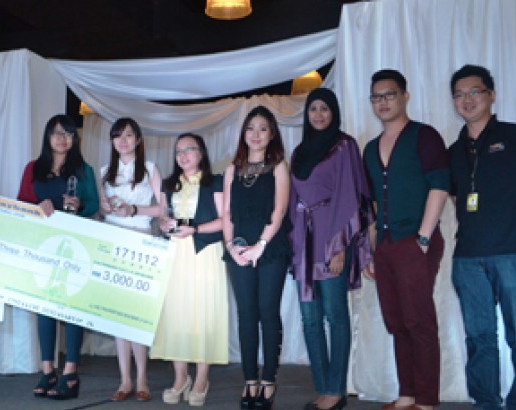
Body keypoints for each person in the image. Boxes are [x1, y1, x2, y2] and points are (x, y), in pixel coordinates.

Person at [447, 65, 516, 410]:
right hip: (467, 258)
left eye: (474, 92)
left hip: (511, 253)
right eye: (460, 94)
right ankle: (486, 403)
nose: (467, 100)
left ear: (491, 95)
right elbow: (453, 199)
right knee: (479, 338)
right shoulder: (453, 151)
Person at [362, 69, 449, 410]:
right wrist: (372, 250)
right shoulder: (370, 149)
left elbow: (440, 185)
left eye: (389, 94)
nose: (383, 102)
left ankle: (426, 401)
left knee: (419, 321)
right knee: (397, 322)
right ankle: (408, 394)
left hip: (416, 241)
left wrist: (423, 239)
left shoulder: (424, 136)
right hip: (385, 246)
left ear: (405, 96)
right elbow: (369, 204)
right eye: (376, 97)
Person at [288, 88, 374, 410]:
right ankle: (323, 387)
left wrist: (340, 247)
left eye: (325, 108)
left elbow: (350, 195)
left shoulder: (345, 146)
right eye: (313, 109)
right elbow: (294, 199)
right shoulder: (298, 153)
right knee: (310, 319)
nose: (319, 114)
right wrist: (294, 245)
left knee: (335, 316)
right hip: (304, 245)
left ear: (334, 112)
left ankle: (336, 389)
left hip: (332, 240)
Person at [17, 114, 98, 400]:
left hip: (75, 245)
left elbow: (95, 206)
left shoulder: (83, 169)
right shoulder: (32, 168)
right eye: (56, 133)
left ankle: (70, 372)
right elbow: (21, 203)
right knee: (45, 307)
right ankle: (47, 369)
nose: (62, 138)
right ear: (47, 137)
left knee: (72, 308)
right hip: (43, 245)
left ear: (75, 138)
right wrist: (38, 206)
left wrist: (80, 203)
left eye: (68, 133)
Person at [150, 133, 229, 407]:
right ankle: (180, 376)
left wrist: (194, 229)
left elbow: (224, 220)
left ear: (201, 153)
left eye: (189, 149)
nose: (182, 155)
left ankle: (201, 378)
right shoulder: (169, 184)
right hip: (175, 253)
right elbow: (162, 215)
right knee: (177, 315)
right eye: (178, 151)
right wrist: (163, 224)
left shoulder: (215, 182)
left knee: (203, 314)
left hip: (204, 251)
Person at [223, 105, 292, 410]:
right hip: (238, 250)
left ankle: (268, 378)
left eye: (263, 128)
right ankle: (249, 379)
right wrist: (231, 246)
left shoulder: (278, 166)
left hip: (270, 249)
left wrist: (261, 245)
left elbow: (279, 211)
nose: (256, 134)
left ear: (272, 134)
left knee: (268, 312)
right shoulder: (231, 169)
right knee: (246, 314)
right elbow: (226, 213)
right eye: (251, 128)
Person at [97, 118, 162, 402]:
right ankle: (124, 380)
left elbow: (162, 208)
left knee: (137, 315)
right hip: (113, 242)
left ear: (137, 139)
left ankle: (143, 379)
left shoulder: (149, 169)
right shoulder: (103, 172)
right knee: (117, 317)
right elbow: (100, 209)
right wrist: (107, 207)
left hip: (140, 242)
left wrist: (134, 209)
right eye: (117, 136)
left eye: (128, 135)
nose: (122, 141)